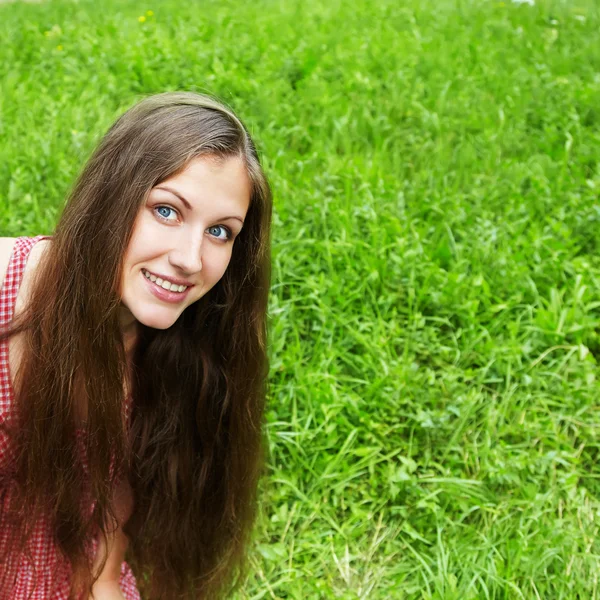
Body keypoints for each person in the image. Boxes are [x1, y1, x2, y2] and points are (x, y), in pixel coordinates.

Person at [0, 92, 272, 600]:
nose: (191, 259)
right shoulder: (4, 286)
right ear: (111, 197)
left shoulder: (184, 362)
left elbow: (101, 561)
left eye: (220, 231)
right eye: (167, 211)